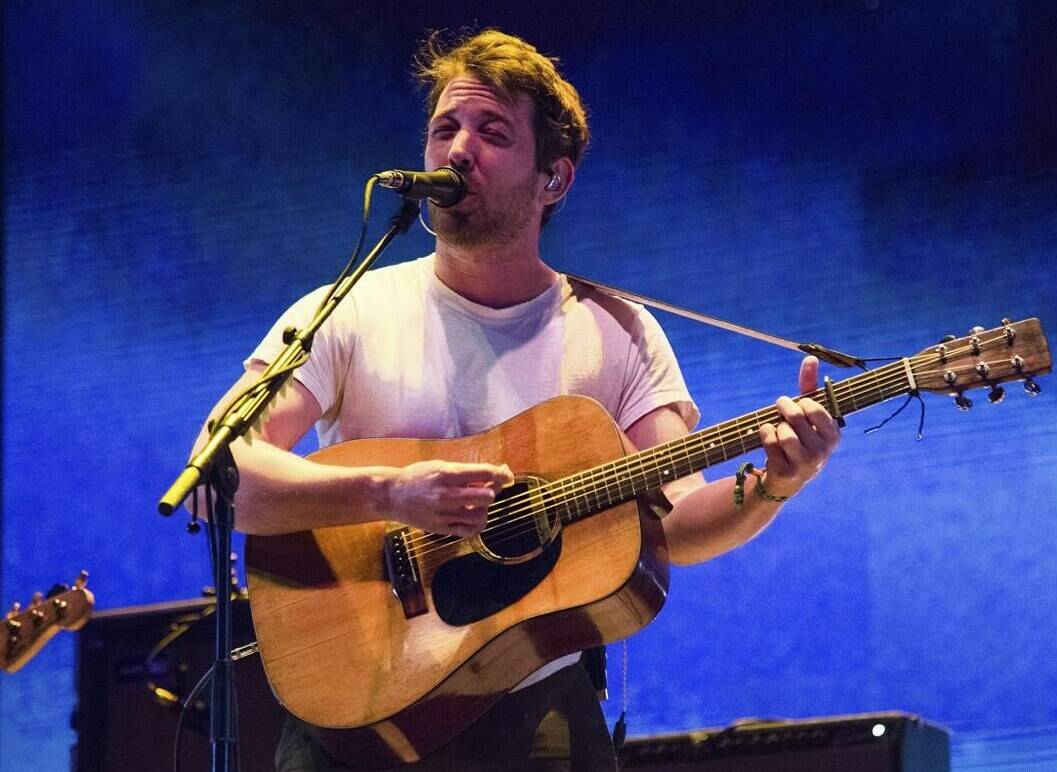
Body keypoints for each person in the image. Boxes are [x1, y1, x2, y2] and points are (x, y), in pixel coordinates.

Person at [190, 28, 840, 772]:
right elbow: (220, 473)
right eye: (445, 128)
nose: (458, 149)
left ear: (553, 179)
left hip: (537, 713)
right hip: (357, 707)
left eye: (491, 132)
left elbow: (678, 524)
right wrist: (390, 493)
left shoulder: (616, 333)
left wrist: (774, 486)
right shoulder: (346, 310)